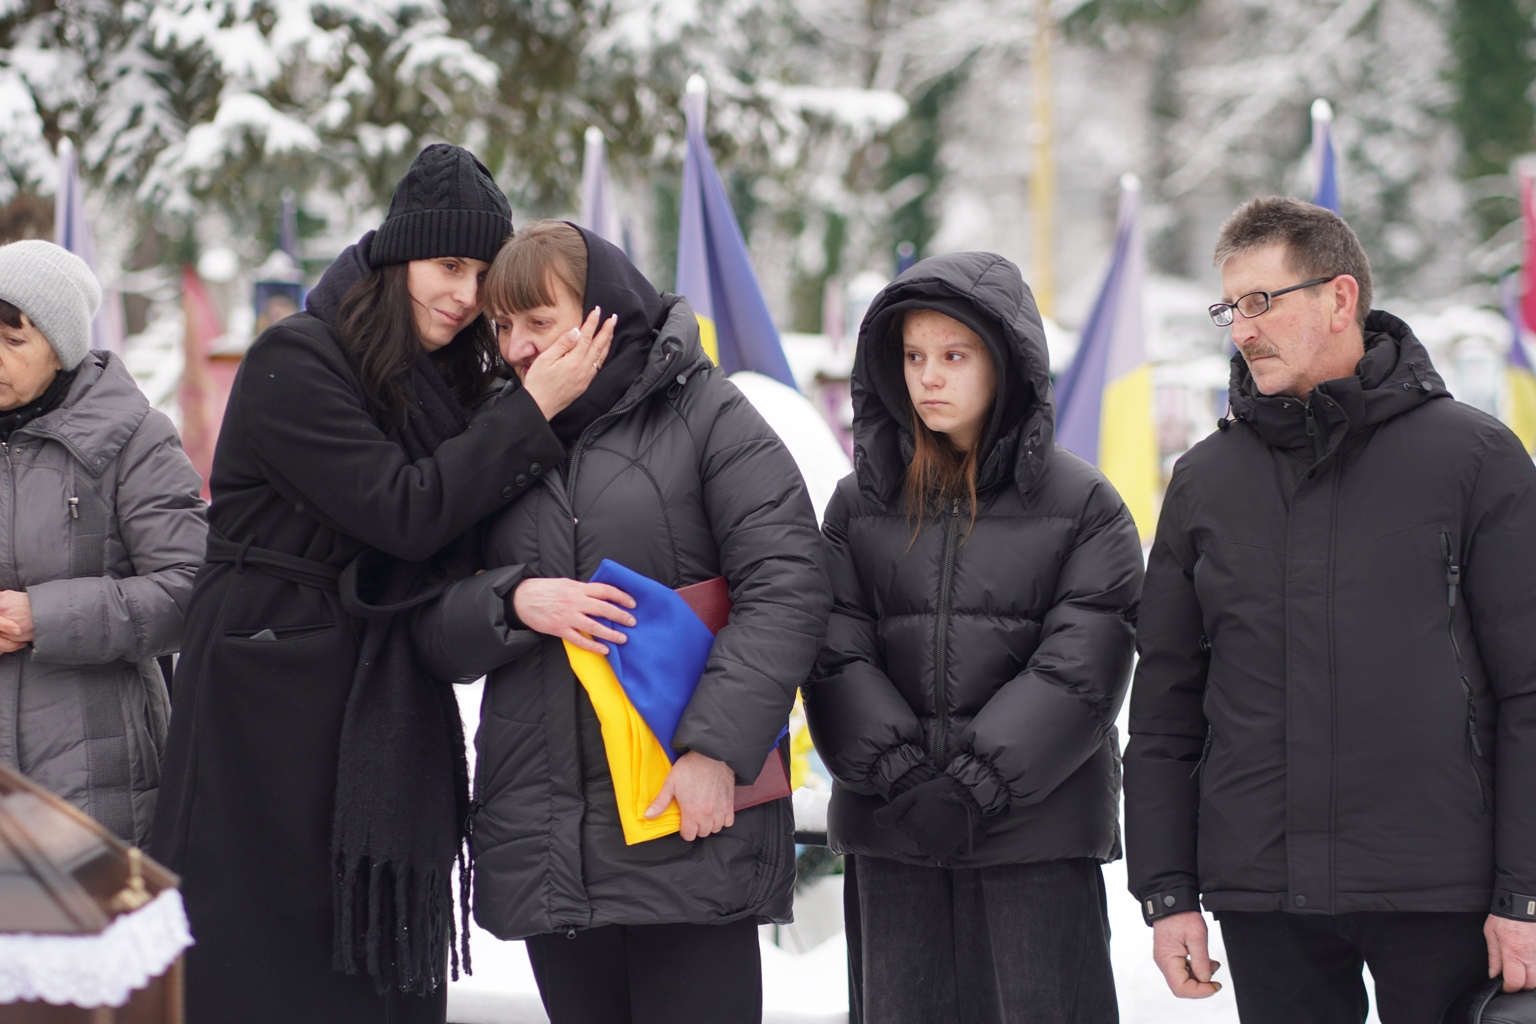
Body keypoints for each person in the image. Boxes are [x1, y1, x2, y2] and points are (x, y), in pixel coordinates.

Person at [149, 147, 612, 1024]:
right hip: (261, 685)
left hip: (372, 682)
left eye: (482, 274)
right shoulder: (296, 359)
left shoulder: (454, 383)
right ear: (398, 256)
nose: (466, 294)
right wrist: (533, 408)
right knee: (260, 954)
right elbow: (405, 511)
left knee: (362, 953)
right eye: (448, 265)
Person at [1124, 196, 1536, 1024]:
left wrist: (1524, 891)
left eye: (1260, 301)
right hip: (1265, 894)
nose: (1242, 330)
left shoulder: (1476, 459)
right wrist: (1166, 892)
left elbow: (1529, 690)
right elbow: (1166, 706)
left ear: (1340, 298)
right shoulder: (1204, 481)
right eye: (1230, 309)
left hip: (1442, 889)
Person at [410, 220, 829, 1024]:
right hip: (548, 840)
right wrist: (513, 601)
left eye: (540, 320)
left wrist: (715, 751)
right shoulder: (490, 435)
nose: (518, 347)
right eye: (502, 326)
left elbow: (787, 584)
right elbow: (427, 619)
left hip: (688, 818)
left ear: (604, 310)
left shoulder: (707, 413)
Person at [801, 251, 1143, 1024]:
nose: (929, 377)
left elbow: (1081, 668)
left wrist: (973, 788)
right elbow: (833, 651)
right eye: (913, 356)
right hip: (894, 832)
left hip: (1033, 839)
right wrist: (901, 778)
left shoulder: (1084, 505)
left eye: (954, 356)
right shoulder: (857, 506)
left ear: (1005, 364)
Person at [0, 239, 205, 845]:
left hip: (91, 778)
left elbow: (190, 590)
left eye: (13, 341)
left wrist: (41, 617)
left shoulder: (134, 439)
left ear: (61, 349)